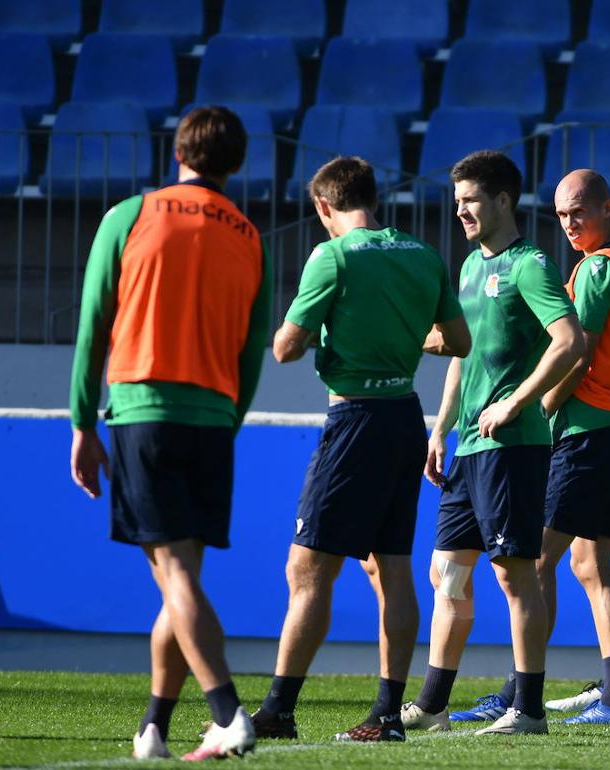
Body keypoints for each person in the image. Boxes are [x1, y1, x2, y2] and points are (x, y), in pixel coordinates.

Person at [68, 105, 271, 761]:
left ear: (178, 151)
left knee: (175, 575)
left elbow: (93, 323)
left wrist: (80, 422)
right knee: (178, 581)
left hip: (144, 410)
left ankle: (228, 713)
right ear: (237, 163)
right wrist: (228, 424)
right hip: (212, 420)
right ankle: (154, 727)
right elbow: (251, 352)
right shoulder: (248, 233)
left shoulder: (131, 215)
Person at [250, 156, 470, 743]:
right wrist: (400, 335)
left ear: (324, 206)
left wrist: (316, 328)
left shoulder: (333, 256)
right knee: (391, 568)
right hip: (404, 414)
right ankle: (387, 715)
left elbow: (285, 349)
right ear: (373, 198)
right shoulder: (422, 254)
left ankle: (277, 711)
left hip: (354, 419)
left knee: (307, 567)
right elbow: (457, 340)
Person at [449, 169, 610, 726]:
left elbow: (577, 351)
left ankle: (521, 694)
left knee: (536, 560)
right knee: (593, 565)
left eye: (578, 212)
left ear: (607, 208)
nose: (568, 225)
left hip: (585, 430)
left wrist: (535, 405)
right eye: (561, 215)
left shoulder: (594, 269)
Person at [400, 150, 586, 736]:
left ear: (503, 200)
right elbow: (462, 355)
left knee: (513, 575)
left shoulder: (531, 264)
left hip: (514, 446)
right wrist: (440, 427)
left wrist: (515, 403)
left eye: (471, 201)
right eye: (456, 203)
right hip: (469, 449)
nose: (460, 212)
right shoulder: (469, 269)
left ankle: (527, 709)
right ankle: (432, 706)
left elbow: (570, 341)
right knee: (447, 574)